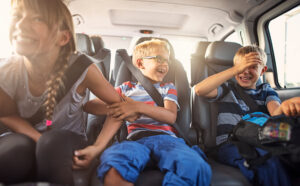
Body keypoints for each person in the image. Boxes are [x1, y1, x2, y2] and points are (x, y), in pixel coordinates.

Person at [0, 0, 126, 185]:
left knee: (52, 144)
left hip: (67, 140)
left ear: (63, 37)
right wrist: (39, 139)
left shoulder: (81, 68)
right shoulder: (6, 71)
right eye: (17, 16)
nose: (20, 24)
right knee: (12, 152)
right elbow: (7, 115)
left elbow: (118, 106)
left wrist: (97, 148)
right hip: (25, 136)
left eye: (37, 18)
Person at [75, 39, 212, 186]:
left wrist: (136, 106)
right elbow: (89, 106)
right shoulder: (126, 89)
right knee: (114, 158)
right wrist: (119, 106)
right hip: (135, 140)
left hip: (167, 140)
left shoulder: (168, 87)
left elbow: (170, 116)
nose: (165, 64)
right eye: (159, 59)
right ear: (140, 64)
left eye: (167, 61)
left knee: (193, 163)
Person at [194, 45, 291, 186]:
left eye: (252, 67)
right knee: (262, 164)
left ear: (263, 70)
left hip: (261, 139)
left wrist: (289, 107)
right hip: (230, 143)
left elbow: (276, 113)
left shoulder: (266, 91)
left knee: (278, 158)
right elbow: (199, 90)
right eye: (241, 67)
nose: (245, 71)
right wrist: (234, 69)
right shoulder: (227, 88)